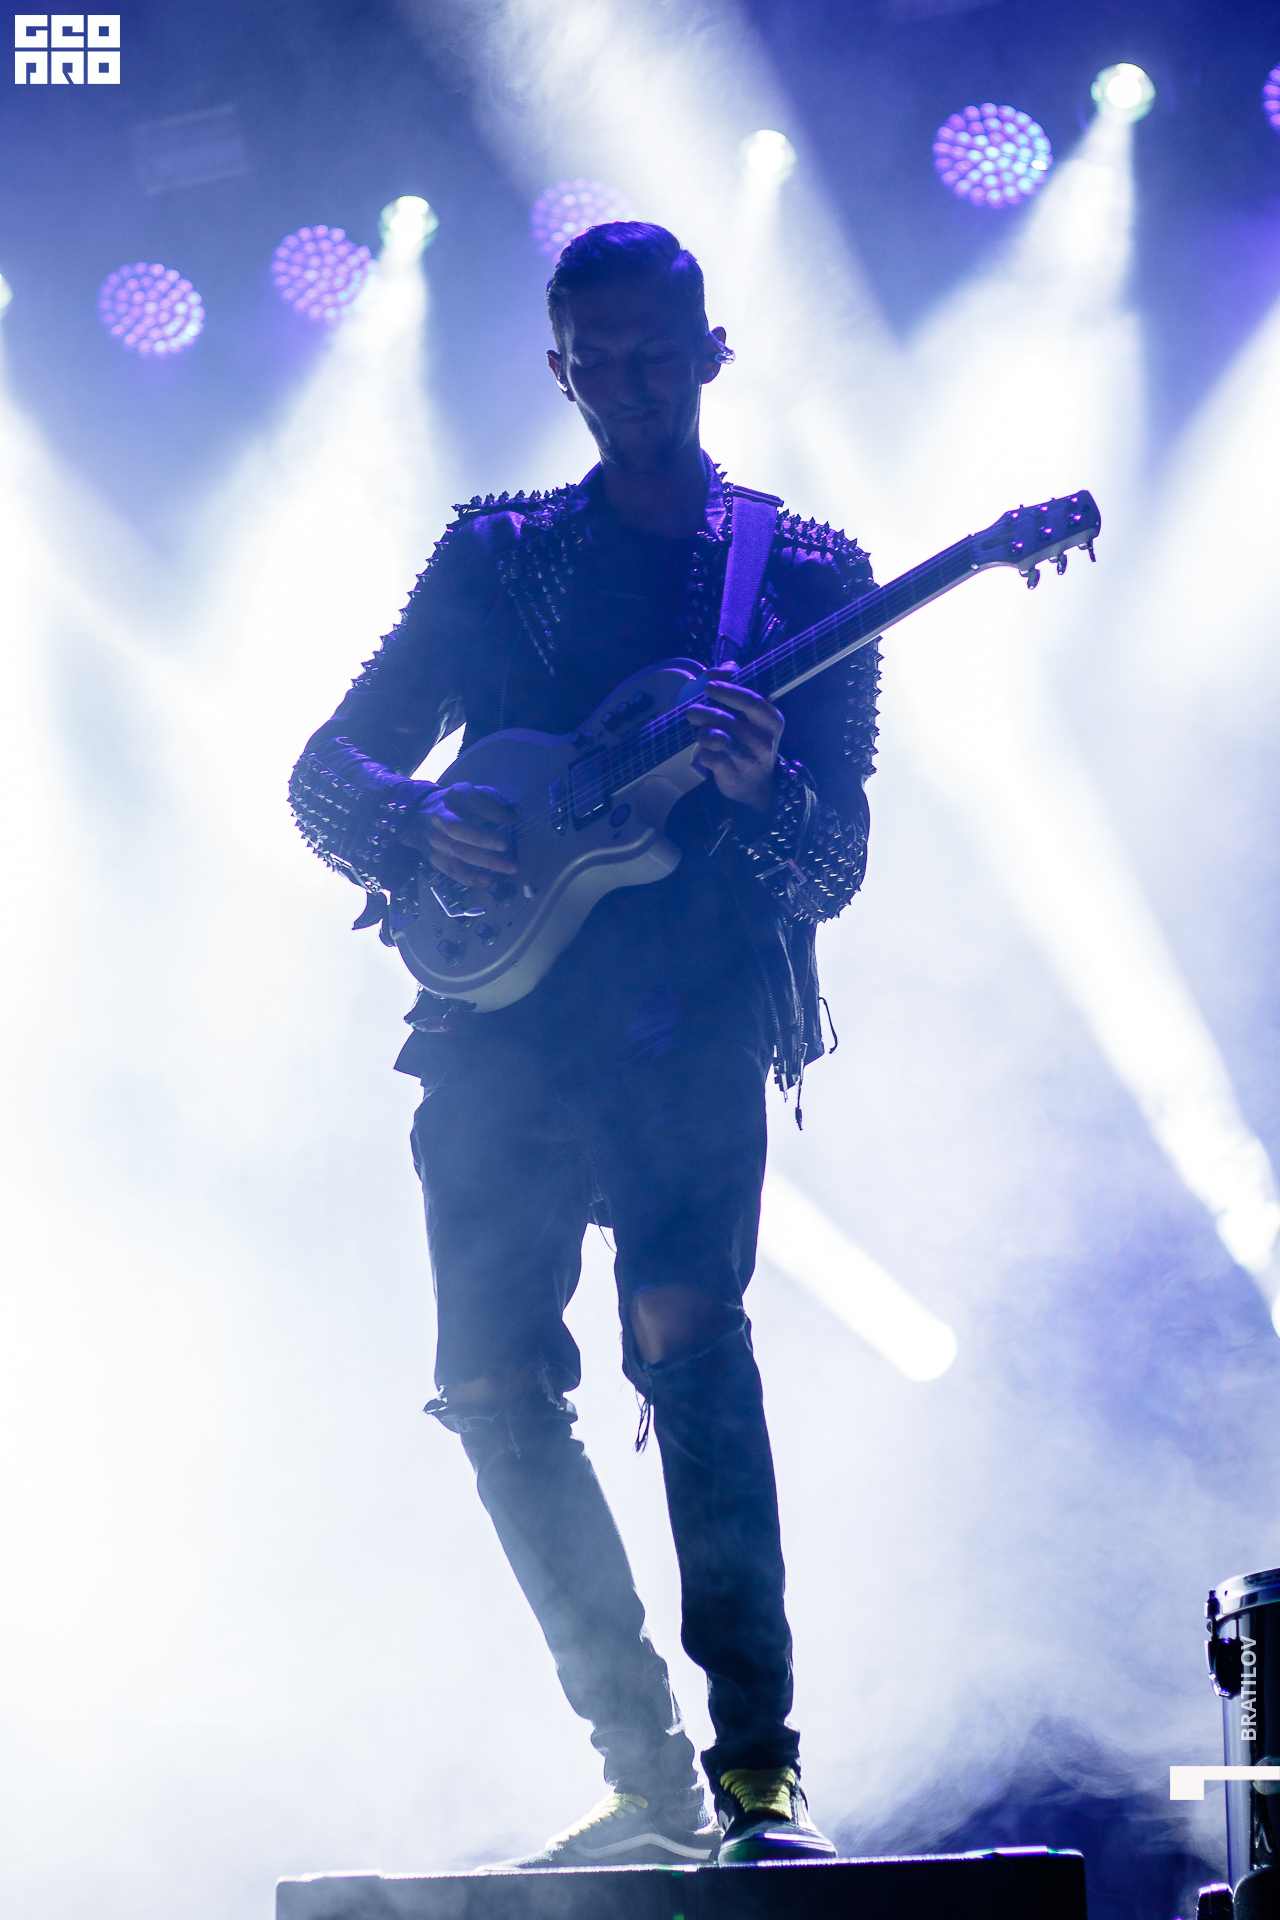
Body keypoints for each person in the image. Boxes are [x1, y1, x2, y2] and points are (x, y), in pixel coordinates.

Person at [289, 222, 879, 1869]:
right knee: (488, 1384)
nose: (626, 387)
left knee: (687, 1344)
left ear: (712, 355)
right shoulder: (497, 556)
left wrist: (769, 784)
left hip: (690, 1018)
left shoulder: (806, 572)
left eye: (654, 356)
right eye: (594, 362)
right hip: (494, 1024)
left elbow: (835, 862)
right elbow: (327, 770)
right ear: (559, 369)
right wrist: (414, 826)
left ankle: (760, 1776)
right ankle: (642, 1770)